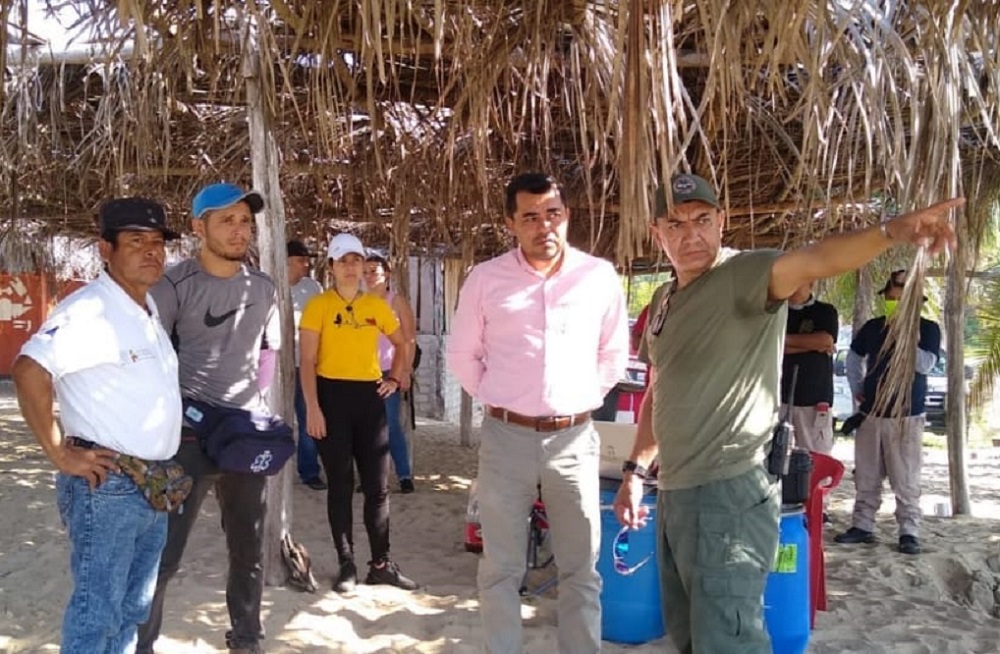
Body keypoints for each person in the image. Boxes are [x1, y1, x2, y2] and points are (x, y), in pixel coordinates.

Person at [613, 172, 961, 654]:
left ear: (721, 222)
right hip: (674, 489)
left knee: (730, 640)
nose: (691, 234)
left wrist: (889, 232)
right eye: (675, 224)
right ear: (657, 234)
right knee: (690, 635)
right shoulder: (664, 300)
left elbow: (816, 258)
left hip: (729, 490)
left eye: (702, 220)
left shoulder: (745, 275)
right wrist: (635, 471)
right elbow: (660, 389)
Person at [446, 172, 629, 654]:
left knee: (581, 567)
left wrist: (577, 398)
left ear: (567, 216)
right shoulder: (486, 279)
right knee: (500, 567)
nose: (543, 225)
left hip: (574, 439)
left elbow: (613, 354)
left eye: (552, 214)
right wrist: (501, 398)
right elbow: (463, 354)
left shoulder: (598, 276)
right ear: (511, 223)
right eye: (530, 216)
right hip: (505, 439)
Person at [12, 198, 183, 653]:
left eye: (157, 241)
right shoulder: (90, 311)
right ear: (105, 249)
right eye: (135, 241)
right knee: (97, 613)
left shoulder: (145, 308)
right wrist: (58, 452)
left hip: (152, 481)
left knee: (131, 610)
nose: (151, 251)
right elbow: (29, 370)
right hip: (109, 484)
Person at [137, 183, 281, 654]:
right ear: (198, 227)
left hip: (244, 438)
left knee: (249, 549)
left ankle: (247, 638)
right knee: (164, 554)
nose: (239, 230)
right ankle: (142, 643)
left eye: (245, 221)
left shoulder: (263, 288)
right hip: (187, 439)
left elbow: (267, 352)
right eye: (226, 221)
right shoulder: (172, 286)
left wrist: (256, 406)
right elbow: (149, 359)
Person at [300, 232, 418, 593]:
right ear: (331, 267)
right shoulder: (318, 306)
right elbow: (307, 361)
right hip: (331, 397)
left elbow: (403, 343)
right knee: (340, 485)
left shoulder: (376, 306)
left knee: (377, 487)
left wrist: (395, 377)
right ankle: (346, 563)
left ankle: (381, 563)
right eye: (343, 261)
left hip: (370, 399)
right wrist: (313, 408)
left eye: (356, 260)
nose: (351, 268)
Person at [834, 269, 941, 555]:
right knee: (866, 475)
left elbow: (925, 364)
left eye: (900, 296)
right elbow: (853, 358)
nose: (894, 301)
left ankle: (909, 531)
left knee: (905, 478)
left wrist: (904, 335)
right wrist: (858, 388)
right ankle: (862, 525)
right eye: (892, 296)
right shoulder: (873, 327)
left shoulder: (928, 329)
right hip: (872, 413)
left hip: (906, 415)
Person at [363, 249, 418, 493]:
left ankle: (404, 474)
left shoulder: (397, 302)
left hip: (389, 372)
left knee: (391, 425)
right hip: (363, 373)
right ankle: (371, 476)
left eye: (373, 271)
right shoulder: (359, 301)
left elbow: (409, 339)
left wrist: (405, 371)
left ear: (386, 273)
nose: (369, 276)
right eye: (365, 272)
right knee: (366, 428)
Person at [781, 281, 839, 454]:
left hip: (815, 399)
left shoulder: (825, 311)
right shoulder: (777, 312)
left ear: (811, 282)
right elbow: (769, 346)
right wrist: (812, 345)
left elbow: (825, 340)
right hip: (779, 397)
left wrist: (783, 340)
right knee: (777, 455)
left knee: (814, 457)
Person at [288, 239, 326, 491]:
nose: (306, 265)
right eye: (301, 260)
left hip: (306, 365)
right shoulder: (267, 286)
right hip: (274, 365)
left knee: (308, 416)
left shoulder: (313, 289)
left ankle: (309, 471)